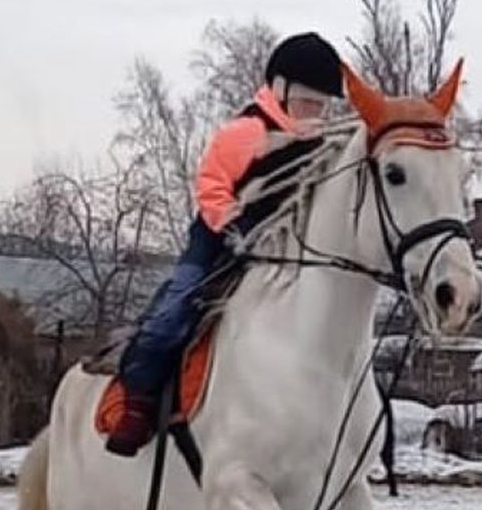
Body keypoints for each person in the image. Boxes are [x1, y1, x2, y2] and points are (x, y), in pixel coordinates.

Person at [104, 31, 346, 457]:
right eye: (309, 102)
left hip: (277, 243)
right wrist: (232, 226)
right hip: (219, 237)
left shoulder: (319, 144)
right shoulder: (245, 132)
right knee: (174, 311)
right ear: (282, 91)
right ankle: (136, 402)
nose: (317, 112)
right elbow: (212, 185)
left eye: (323, 105)